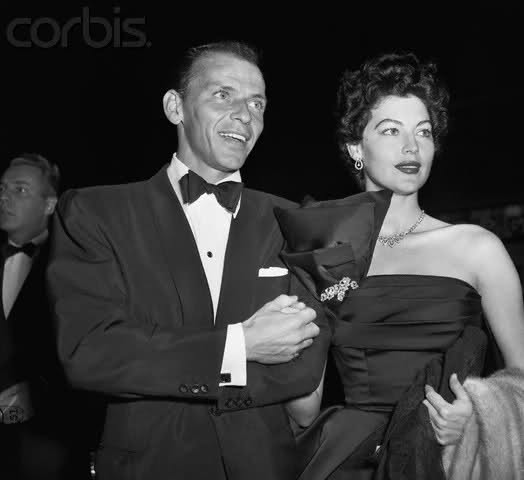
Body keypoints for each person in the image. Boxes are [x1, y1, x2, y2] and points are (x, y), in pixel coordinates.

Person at [46, 41, 329, 480]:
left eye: (257, 103)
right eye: (223, 95)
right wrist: (240, 346)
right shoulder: (95, 212)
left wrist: (156, 360)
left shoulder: (294, 220)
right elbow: (91, 353)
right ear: (175, 107)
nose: (245, 115)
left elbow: (304, 369)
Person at [275, 52, 524, 479]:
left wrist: (479, 413)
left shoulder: (477, 248)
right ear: (356, 147)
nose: (412, 147)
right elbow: (303, 409)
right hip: (349, 460)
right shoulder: (325, 253)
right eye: (391, 130)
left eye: (423, 132)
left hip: (444, 461)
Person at [0, 154, 86, 479]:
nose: (4, 197)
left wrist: (35, 394)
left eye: (19, 190)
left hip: (45, 437)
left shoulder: (75, 264)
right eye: (2, 188)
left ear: (49, 205)